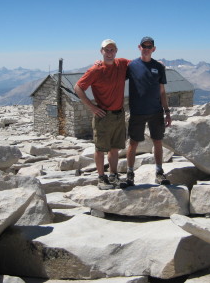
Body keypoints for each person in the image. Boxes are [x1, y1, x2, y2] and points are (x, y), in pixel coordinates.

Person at [74, 39, 129, 190]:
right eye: (107, 50)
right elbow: (78, 87)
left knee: (115, 148)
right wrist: (92, 107)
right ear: (101, 51)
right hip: (103, 115)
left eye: (112, 50)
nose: (110, 53)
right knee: (100, 148)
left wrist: (158, 64)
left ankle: (113, 175)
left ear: (116, 51)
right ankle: (101, 178)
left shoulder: (122, 64)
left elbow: (140, 64)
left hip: (118, 114)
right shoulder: (96, 70)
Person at [126, 36, 172, 186]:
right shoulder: (132, 65)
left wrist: (167, 111)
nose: (146, 49)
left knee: (157, 142)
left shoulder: (159, 67)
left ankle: (159, 172)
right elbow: (116, 73)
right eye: (143, 46)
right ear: (139, 47)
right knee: (133, 143)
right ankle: (129, 173)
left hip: (156, 111)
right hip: (137, 112)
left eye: (149, 47)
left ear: (153, 49)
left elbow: (162, 91)